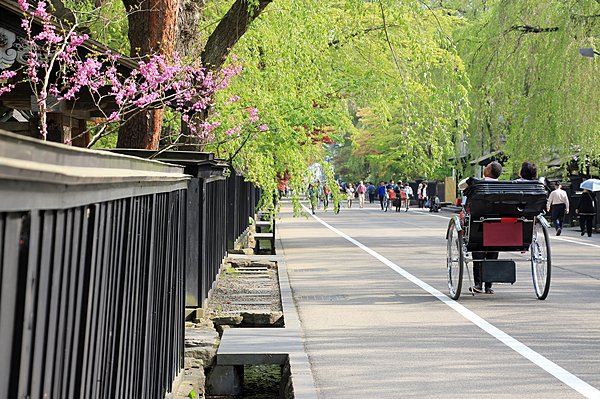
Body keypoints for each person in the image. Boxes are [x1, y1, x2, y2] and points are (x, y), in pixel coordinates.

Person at [470, 161, 503, 295]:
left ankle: (478, 284)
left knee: (478, 253)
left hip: (480, 222)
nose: (485, 168)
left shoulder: (478, 184)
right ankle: (489, 286)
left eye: (487, 167)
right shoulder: (503, 186)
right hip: (498, 225)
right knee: (492, 254)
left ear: (489, 171)